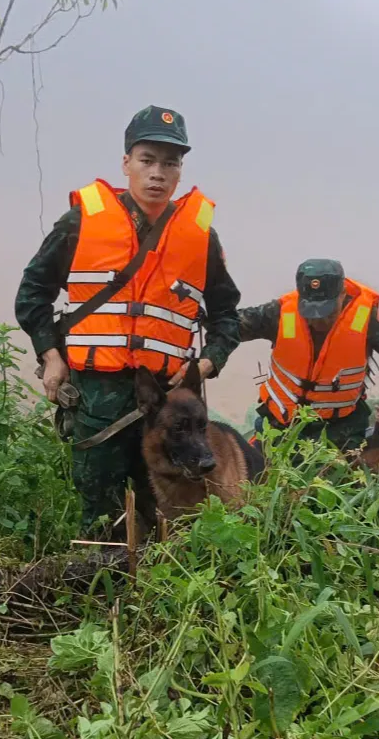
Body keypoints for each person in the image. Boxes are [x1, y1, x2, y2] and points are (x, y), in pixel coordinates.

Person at [14, 105, 242, 536]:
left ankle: (163, 599)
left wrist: (209, 362)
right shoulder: (80, 222)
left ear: (180, 171)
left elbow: (226, 314)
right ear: (126, 163)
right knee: (101, 514)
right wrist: (51, 356)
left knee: (172, 514)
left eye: (169, 163)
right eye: (147, 160)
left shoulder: (200, 237)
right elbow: (32, 294)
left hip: (168, 404)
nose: (157, 173)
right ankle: (98, 594)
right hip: (97, 396)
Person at [239, 259, 379, 451]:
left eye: (327, 312)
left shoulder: (365, 318)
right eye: (311, 313)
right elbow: (234, 325)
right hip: (280, 424)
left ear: (342, 294)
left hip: (339, 430)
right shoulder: (279, 311)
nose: (319, 321)